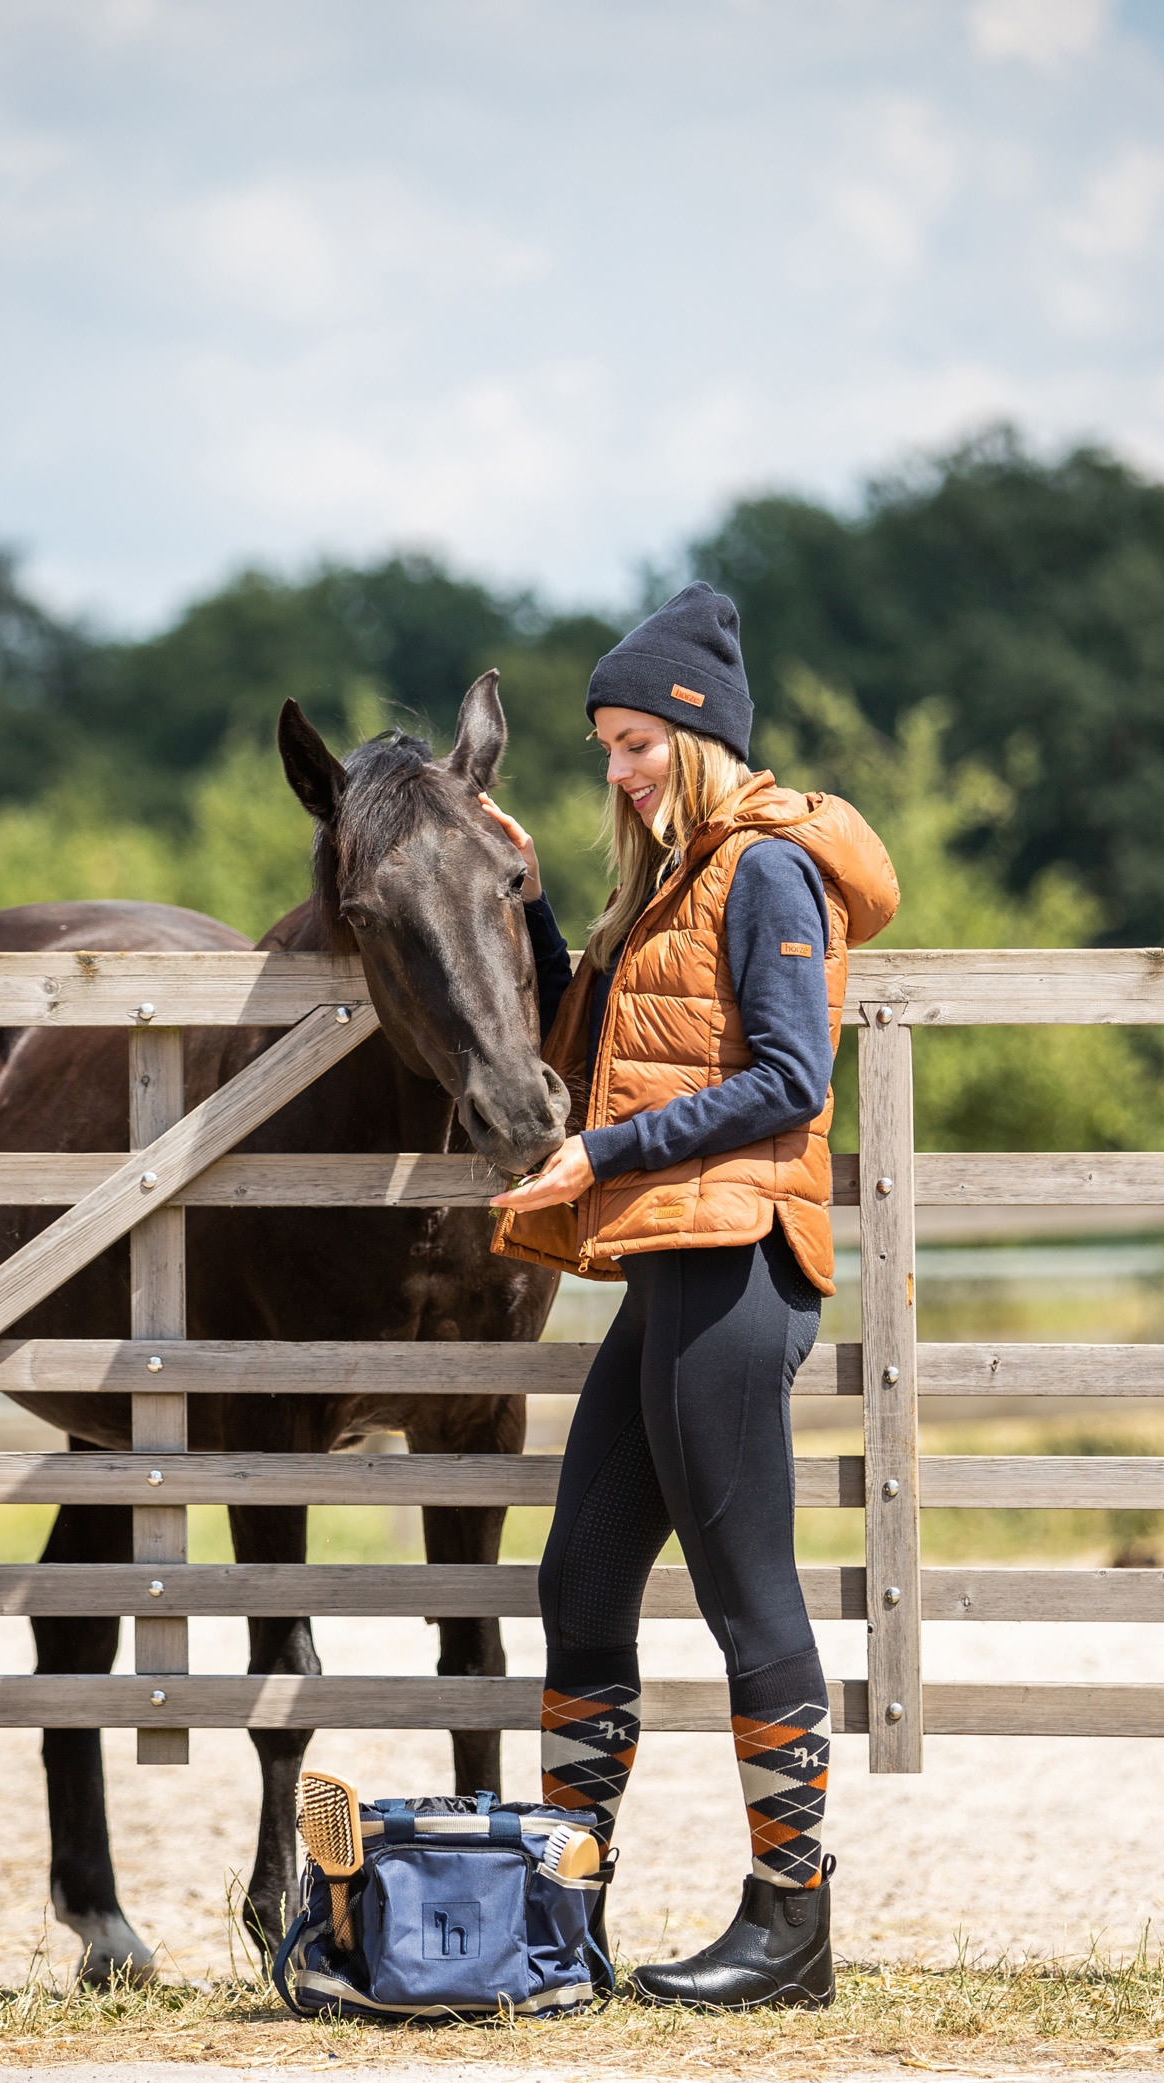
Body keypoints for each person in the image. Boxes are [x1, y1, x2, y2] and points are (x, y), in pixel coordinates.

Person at [484, 583, 899, 2009]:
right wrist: (537, 907)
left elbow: (790, 1081)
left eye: (636, 743)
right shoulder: (669, 877)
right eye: (603, 746)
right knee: (580, 1576)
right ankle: (563, 1913)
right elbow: (600, 1042)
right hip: (668, 1260)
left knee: (745, 1590)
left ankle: (791, 1927)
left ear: (699, 732)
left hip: (739, 1261)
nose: (617, 770)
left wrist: (596, 1152)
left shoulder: (768, 870)